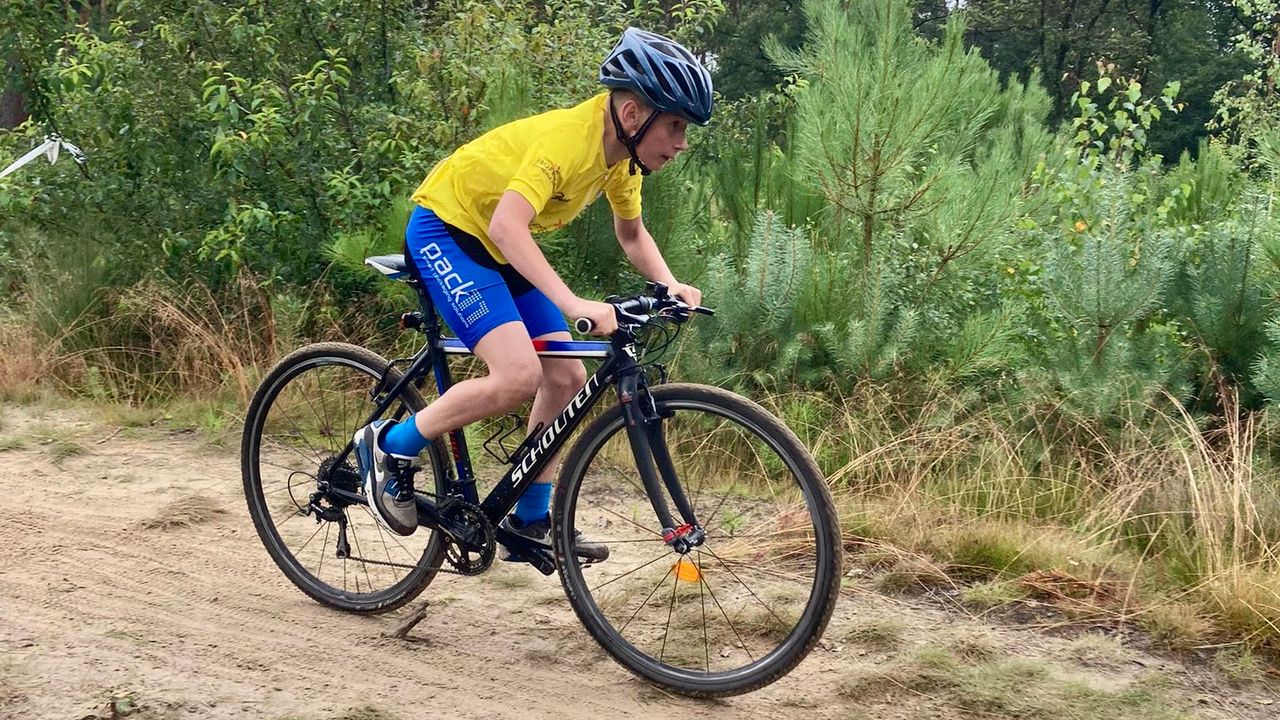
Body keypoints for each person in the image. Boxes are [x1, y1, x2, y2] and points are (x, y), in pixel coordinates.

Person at [351, 28, 713, 561]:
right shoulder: (569, 141)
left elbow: (632, 234)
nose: (681, 142)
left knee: (565, 374)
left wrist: (669, 284)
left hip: (497, 245)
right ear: (634, 115)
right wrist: (572, 303)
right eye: (677, 125)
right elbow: (506, 225)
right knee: (518, 375)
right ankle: (387, 448)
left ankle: (528, 520)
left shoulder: (622, 158)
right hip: (449, 231)